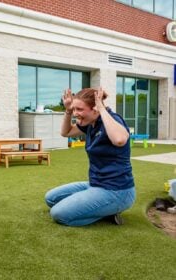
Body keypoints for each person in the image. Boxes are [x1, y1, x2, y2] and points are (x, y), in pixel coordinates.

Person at [44, 87, 135, 226]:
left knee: (58, 214)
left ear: (95, 109)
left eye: (79, 109)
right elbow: (66, 132)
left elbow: (119, 140)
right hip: (95, 184)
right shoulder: (89, 124)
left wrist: (102, 109)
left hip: (117, 191)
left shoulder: (113, 120)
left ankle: (107, 211)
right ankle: (101, 208)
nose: (76, 114)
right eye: (74, 109)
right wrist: (68, 110)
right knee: (51, 198)